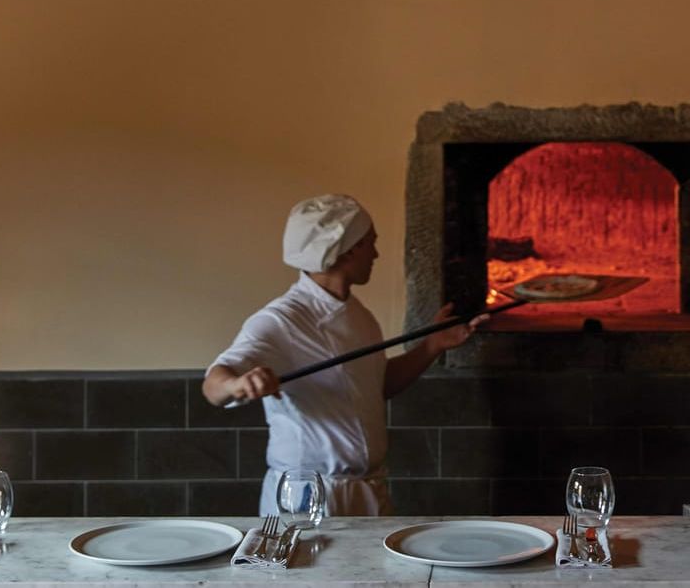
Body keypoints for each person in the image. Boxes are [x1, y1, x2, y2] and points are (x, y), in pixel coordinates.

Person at [201, 194, 482, 516]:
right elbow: (214, 384)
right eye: (371, 243)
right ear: (347, 249)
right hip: (309, 495)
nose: (376, 254)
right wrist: (237, 385)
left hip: (368, 490)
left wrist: (432, 345)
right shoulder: (282, 319)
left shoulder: (359, 315)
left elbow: (376, 386)